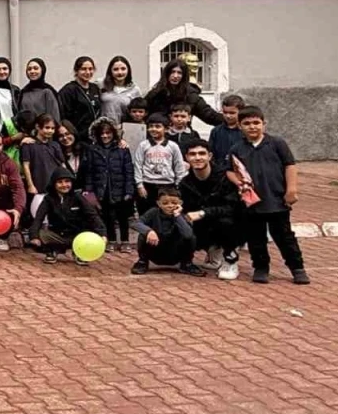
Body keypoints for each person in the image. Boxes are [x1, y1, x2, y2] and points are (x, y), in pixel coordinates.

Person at [231, 106, 307, 285]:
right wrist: (240, 184)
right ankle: (261, 267)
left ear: (264, 124)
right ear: (240, 126)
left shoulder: (277, 143)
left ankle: (297, 268)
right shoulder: (236, 148)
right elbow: (230, 171)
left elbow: (290, 166)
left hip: (276, 200)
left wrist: (291, 190)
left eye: (256, 123)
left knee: (284, 236)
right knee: (255, 237)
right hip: (252, 202)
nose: (252, 127)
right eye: (247, 123)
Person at [179, 139, 242, 279]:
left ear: (210, 156)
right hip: (203, 225)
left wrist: (203, 213)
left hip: (230, 222)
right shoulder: (185, 183)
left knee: (227, 222)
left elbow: (232, 208)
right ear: (186, 157)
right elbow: (185, 208)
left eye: (202, 153)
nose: (197, 157)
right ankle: (212, 251)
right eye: (192, 154)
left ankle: (230, 260)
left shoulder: (225, 178)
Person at [28, 167, 106, 265]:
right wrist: (34, 236)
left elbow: (93, 216)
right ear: (54, 184)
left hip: (78, 236)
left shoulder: (78, 197)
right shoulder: (48, 199)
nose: (64, 185)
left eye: (67, 181)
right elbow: (38, 218)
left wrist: (102, 234)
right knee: (39, 235)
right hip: (57, 235)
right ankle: (52, 251)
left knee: (91, 234)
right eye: (60, 182)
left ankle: (79, 253)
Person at [83, 117, 136, 253]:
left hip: (120, 188)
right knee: (107, 216)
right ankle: (111, 239)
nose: (105, 136)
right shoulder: (92, 150)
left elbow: (129, 171)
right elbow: (89, 172)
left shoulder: (122, 149)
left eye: (108, 133)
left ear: (114, 133)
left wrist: (129, 190)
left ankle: (125, 240)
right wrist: (89, 191)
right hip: (102, 189)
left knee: (123, 216)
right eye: (102, 133)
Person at [130, 186, 200, 275]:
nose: (170, 206)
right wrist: (149, 231)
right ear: (158, 203)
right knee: (143, 235)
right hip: (156, 252)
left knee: (192, 237)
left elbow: (188, 235)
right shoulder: (153, 212)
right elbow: (135, 223)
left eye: (174, 203)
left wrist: (177, 215)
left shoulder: (182, 215)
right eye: (165, 203)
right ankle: (142, 262)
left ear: (180, 203)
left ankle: (187, 264)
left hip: (175, 253)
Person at [144, 59, 224, 126]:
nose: (175, 76)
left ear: (184, 76)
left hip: (183, 135)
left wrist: (229, 119)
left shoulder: (190, 95)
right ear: (167, 73)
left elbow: (209, 115)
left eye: (179, 73)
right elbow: (142, 111)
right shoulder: (155, 93)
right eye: (172, 72)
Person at [134, 113, 187, 213]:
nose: (153, 129)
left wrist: (177, 185)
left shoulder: (173, 146)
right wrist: (139, 185)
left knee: (166, 213)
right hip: (148, 185)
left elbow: (179, 167)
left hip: (167, 185)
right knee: (146, 212)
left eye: (158, 126)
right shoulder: (143, 145)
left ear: (166, 129)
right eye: (151, 126)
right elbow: (138, 165)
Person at [19, 114, 65, 219]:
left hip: (54, 187)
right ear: (37, 127)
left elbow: (62, 165)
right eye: (47, 127)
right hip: (38, 186)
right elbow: (25, 166)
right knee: (38, 215)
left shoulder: (55, 145)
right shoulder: (28, 144)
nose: (50, 131)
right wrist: (30, 185)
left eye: (52, 128)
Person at [57, 56, 102, 140]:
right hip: (77, 137)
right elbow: (63, 116)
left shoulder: (95, 88)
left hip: (94, 136)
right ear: (76, 71)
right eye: (83, 69)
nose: (87, 72)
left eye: (90, 69)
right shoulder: (68, 90)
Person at [209, 94, 247, 168]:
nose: (228, 116)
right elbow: (211, 153)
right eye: (225, 112)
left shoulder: (246, 131)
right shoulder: (216, 131)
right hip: (220, 170)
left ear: (241, 112)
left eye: (232, 113)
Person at [100, 56, 141, 123]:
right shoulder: (100, 85)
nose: (120, 72)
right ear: (110, 71)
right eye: (115, 69)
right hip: (104, 127)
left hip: (124, 127)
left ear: (128, 70)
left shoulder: (135, 90)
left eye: (123, 69)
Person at [19, 58, 61, 124]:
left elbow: (54, 117)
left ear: (42, 70)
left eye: (36, 68)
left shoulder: (48, 91)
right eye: (29, 69)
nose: (32, 71)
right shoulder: (23, 92)